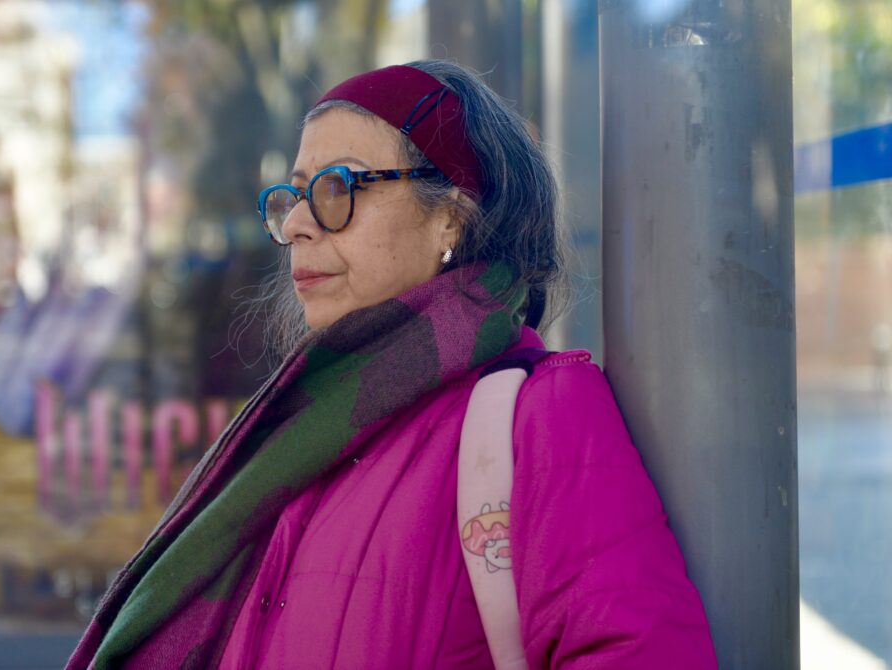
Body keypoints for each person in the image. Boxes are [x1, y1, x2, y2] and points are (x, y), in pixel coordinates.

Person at [66, 60, 717, 669]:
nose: (297, 225)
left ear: (450, 219)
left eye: (338, 188)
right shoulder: (297, 433)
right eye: (295, 196)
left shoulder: (538, 417)